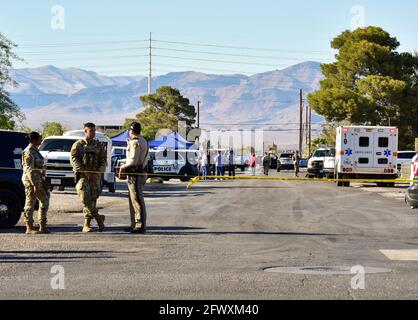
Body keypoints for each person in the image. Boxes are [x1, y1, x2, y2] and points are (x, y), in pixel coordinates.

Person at [70, 122, 107, 233]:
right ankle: (99, 218)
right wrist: (84, 172)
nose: (93, 133)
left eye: (94, 131)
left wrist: (97, 173)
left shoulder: (99, 145)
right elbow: (74, 159)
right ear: (85, 131)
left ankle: (87, 224)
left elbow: (103, 159)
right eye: (91, 131)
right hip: (83, 176)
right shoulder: (78, 145)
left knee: (93, 199)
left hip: (95, 177)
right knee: (85, 198)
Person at [119, 122, 149, 234]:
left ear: (130, 131)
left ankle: (140, 224)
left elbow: (133, 160)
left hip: (135, 174)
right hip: (140, 172)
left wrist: (122, 167)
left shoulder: (135, 142)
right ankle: (134, 224)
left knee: (137, 199)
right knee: (134, 199)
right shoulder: (143, 140)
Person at [21, 132, 50, 234]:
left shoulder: (35, 151)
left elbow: (39, 167)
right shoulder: (28, 151)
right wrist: (35, 184)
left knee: (44, 201)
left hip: (38, 180)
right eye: (39, 138)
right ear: (34, 140)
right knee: (30, 202)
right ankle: (29, 227)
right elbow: (29, 170)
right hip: (31, 181)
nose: (41, 140)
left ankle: (42, 226)